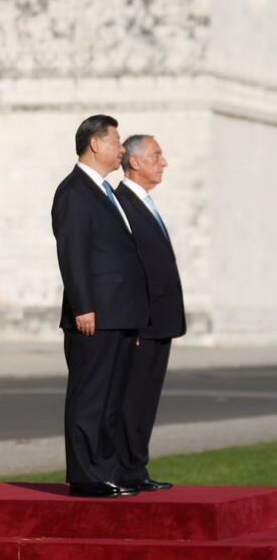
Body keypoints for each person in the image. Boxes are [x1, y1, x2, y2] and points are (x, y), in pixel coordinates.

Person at [51, 115, 149, 498]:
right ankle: (87, 476)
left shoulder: (106, 192)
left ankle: (108, 471)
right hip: (93, 315)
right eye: (116, 141)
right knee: (90, 396)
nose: (122, 149)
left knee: (112, 398)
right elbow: (72, 253)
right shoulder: (74, 191)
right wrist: (83, 305)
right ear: (95, 143)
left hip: (119, 315)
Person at [115, 135, 185, 491]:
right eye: (157, 155)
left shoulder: (143, 202)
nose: (163, 162)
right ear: (135, 162)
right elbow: (128, 269)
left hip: (161, 320)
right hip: (142, 323)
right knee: (132, 398)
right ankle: (124, 470)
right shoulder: (120, 203)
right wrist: (136, 322)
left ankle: (136, 468)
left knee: (146, 400)